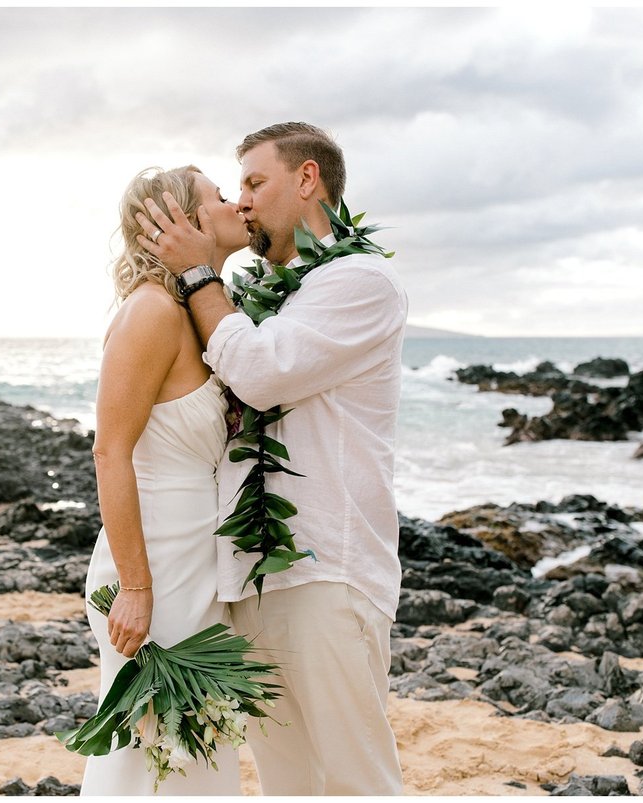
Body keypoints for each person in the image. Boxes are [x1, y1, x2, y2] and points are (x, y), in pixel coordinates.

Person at [135, 122, 407, 795]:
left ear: (307, 179)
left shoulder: (360, 282)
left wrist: (197, 272)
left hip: (326, 572)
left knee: (357, 782)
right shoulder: (271, 294)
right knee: (289, 786)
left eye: (256, 182)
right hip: (254, 575)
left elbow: (258, 372)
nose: (245, 201)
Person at [80, 165, 250, 795]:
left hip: (198, 560)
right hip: (153, 565)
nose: (236, 203)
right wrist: (136, 585)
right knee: (152, 750)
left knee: (194, 750)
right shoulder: (151, 313)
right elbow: (109, 452)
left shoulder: (200, 311)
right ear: (180, 221)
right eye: (218, 197)